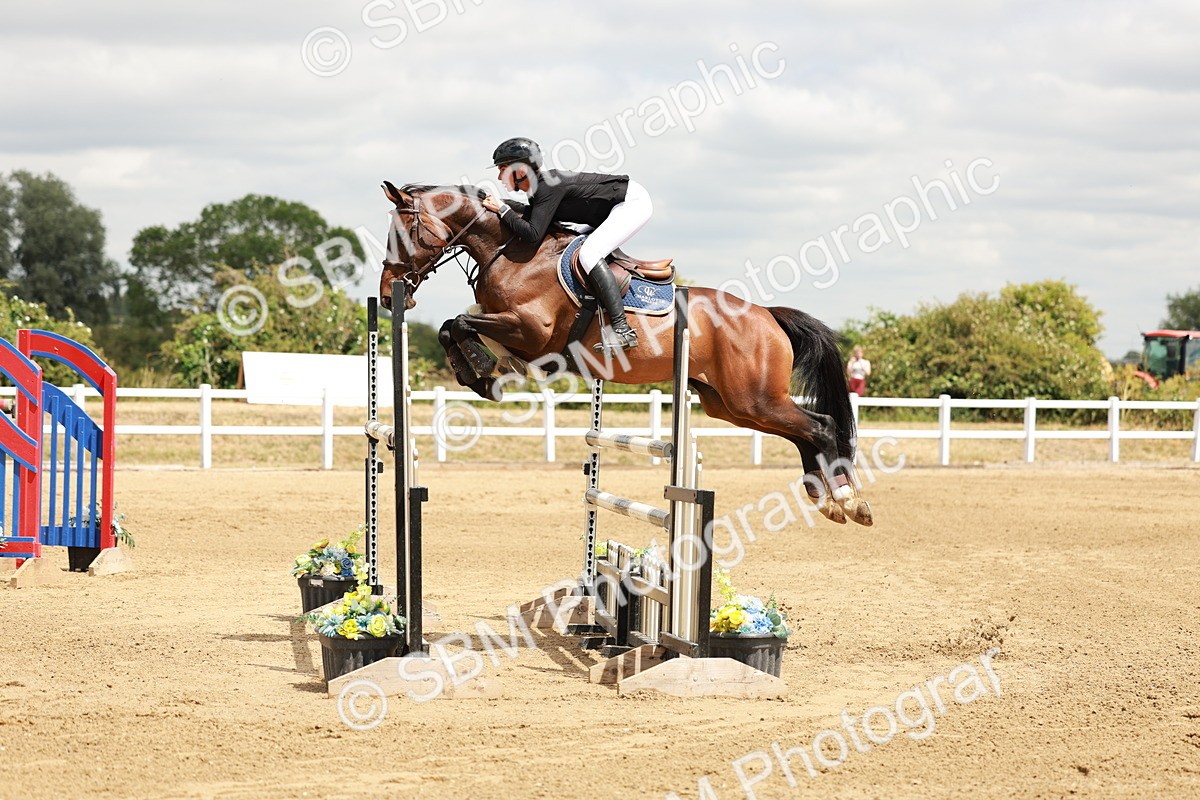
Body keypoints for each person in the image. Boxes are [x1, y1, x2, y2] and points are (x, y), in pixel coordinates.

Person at [480, 137, 651, 353]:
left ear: (521, 170)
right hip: (609, 211)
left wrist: (501, 209)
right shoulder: (538, 190)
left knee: (589, 254)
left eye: (503, 169)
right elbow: (530, 222)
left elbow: (532, 234)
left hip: (632, 203)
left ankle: (622, 329)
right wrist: (502, 207)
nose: (499, 176)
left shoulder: (546, 187)